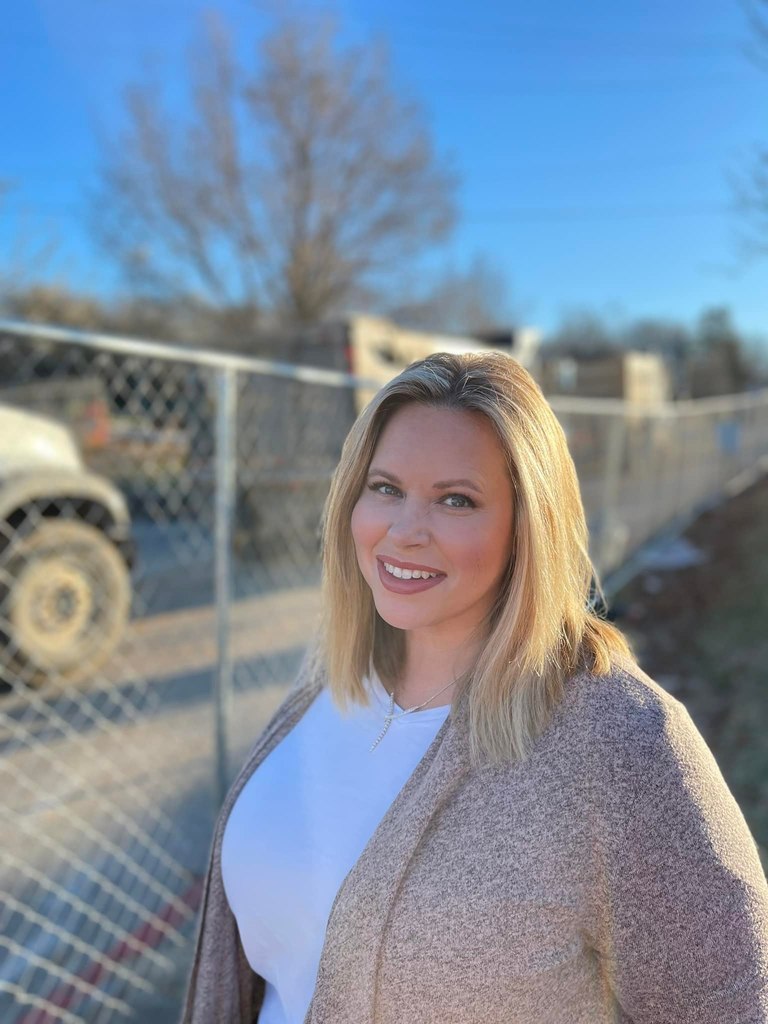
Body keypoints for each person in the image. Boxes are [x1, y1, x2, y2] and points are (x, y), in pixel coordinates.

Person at [181, 352, 768, 1024]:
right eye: (385, 488)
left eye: (456, 499)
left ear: (527, 526)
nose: (404, 531)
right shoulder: (324, 688)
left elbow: (733, 1003)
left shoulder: (620, 743)